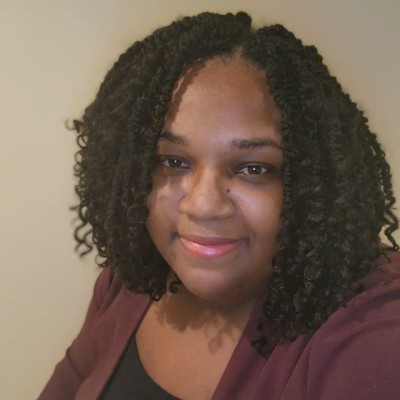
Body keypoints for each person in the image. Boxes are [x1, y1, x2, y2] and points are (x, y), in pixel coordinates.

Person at [39, 11, 400, 400]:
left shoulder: (371, 333)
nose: (204, 205)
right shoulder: (126, 285)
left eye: (253, 168)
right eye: (172, 161)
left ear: (314, 182)